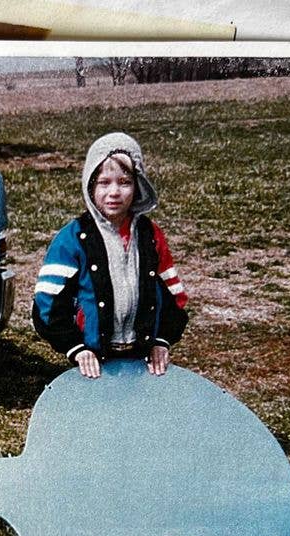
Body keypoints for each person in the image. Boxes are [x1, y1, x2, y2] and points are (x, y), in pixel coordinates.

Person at [32, 131, 188, 378]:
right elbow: (47, 306)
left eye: (124, 182)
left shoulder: (150, 236)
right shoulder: (72, 239)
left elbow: (173, 297)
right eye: (104, 183)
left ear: (138, 186)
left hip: (140, 357)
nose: (114, 192)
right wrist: (76, 348)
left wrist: (161, 340)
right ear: (90, 186)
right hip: (92, 361)